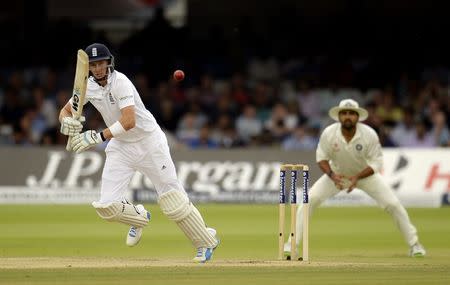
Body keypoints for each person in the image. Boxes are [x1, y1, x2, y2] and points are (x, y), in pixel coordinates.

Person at [59, 43, 219, 263]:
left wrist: (96, 137)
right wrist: (65, 122)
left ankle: (205, 242)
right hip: (121, 147)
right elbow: (67, 110)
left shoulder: (121, 82)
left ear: (109, 63)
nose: (97, 68)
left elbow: (129, 120)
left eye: (101, 63)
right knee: (107, 207)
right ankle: (139, 218)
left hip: (149, 142)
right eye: (93, 65)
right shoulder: (87, 87)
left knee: (172, 198)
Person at [284, 99, 426, 258]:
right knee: (309, 200)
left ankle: (414, 245)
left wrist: (356, 178)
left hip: (364, 176)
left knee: (393, 204)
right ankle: (292, 244)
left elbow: (377, 163)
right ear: (339, 116)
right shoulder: (329, 133)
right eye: (344, 113)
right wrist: (332, 175)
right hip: (337, 174)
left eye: (351, 113)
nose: (348, 117)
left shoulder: (369, 134)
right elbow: (321, 158)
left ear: (358, 116)